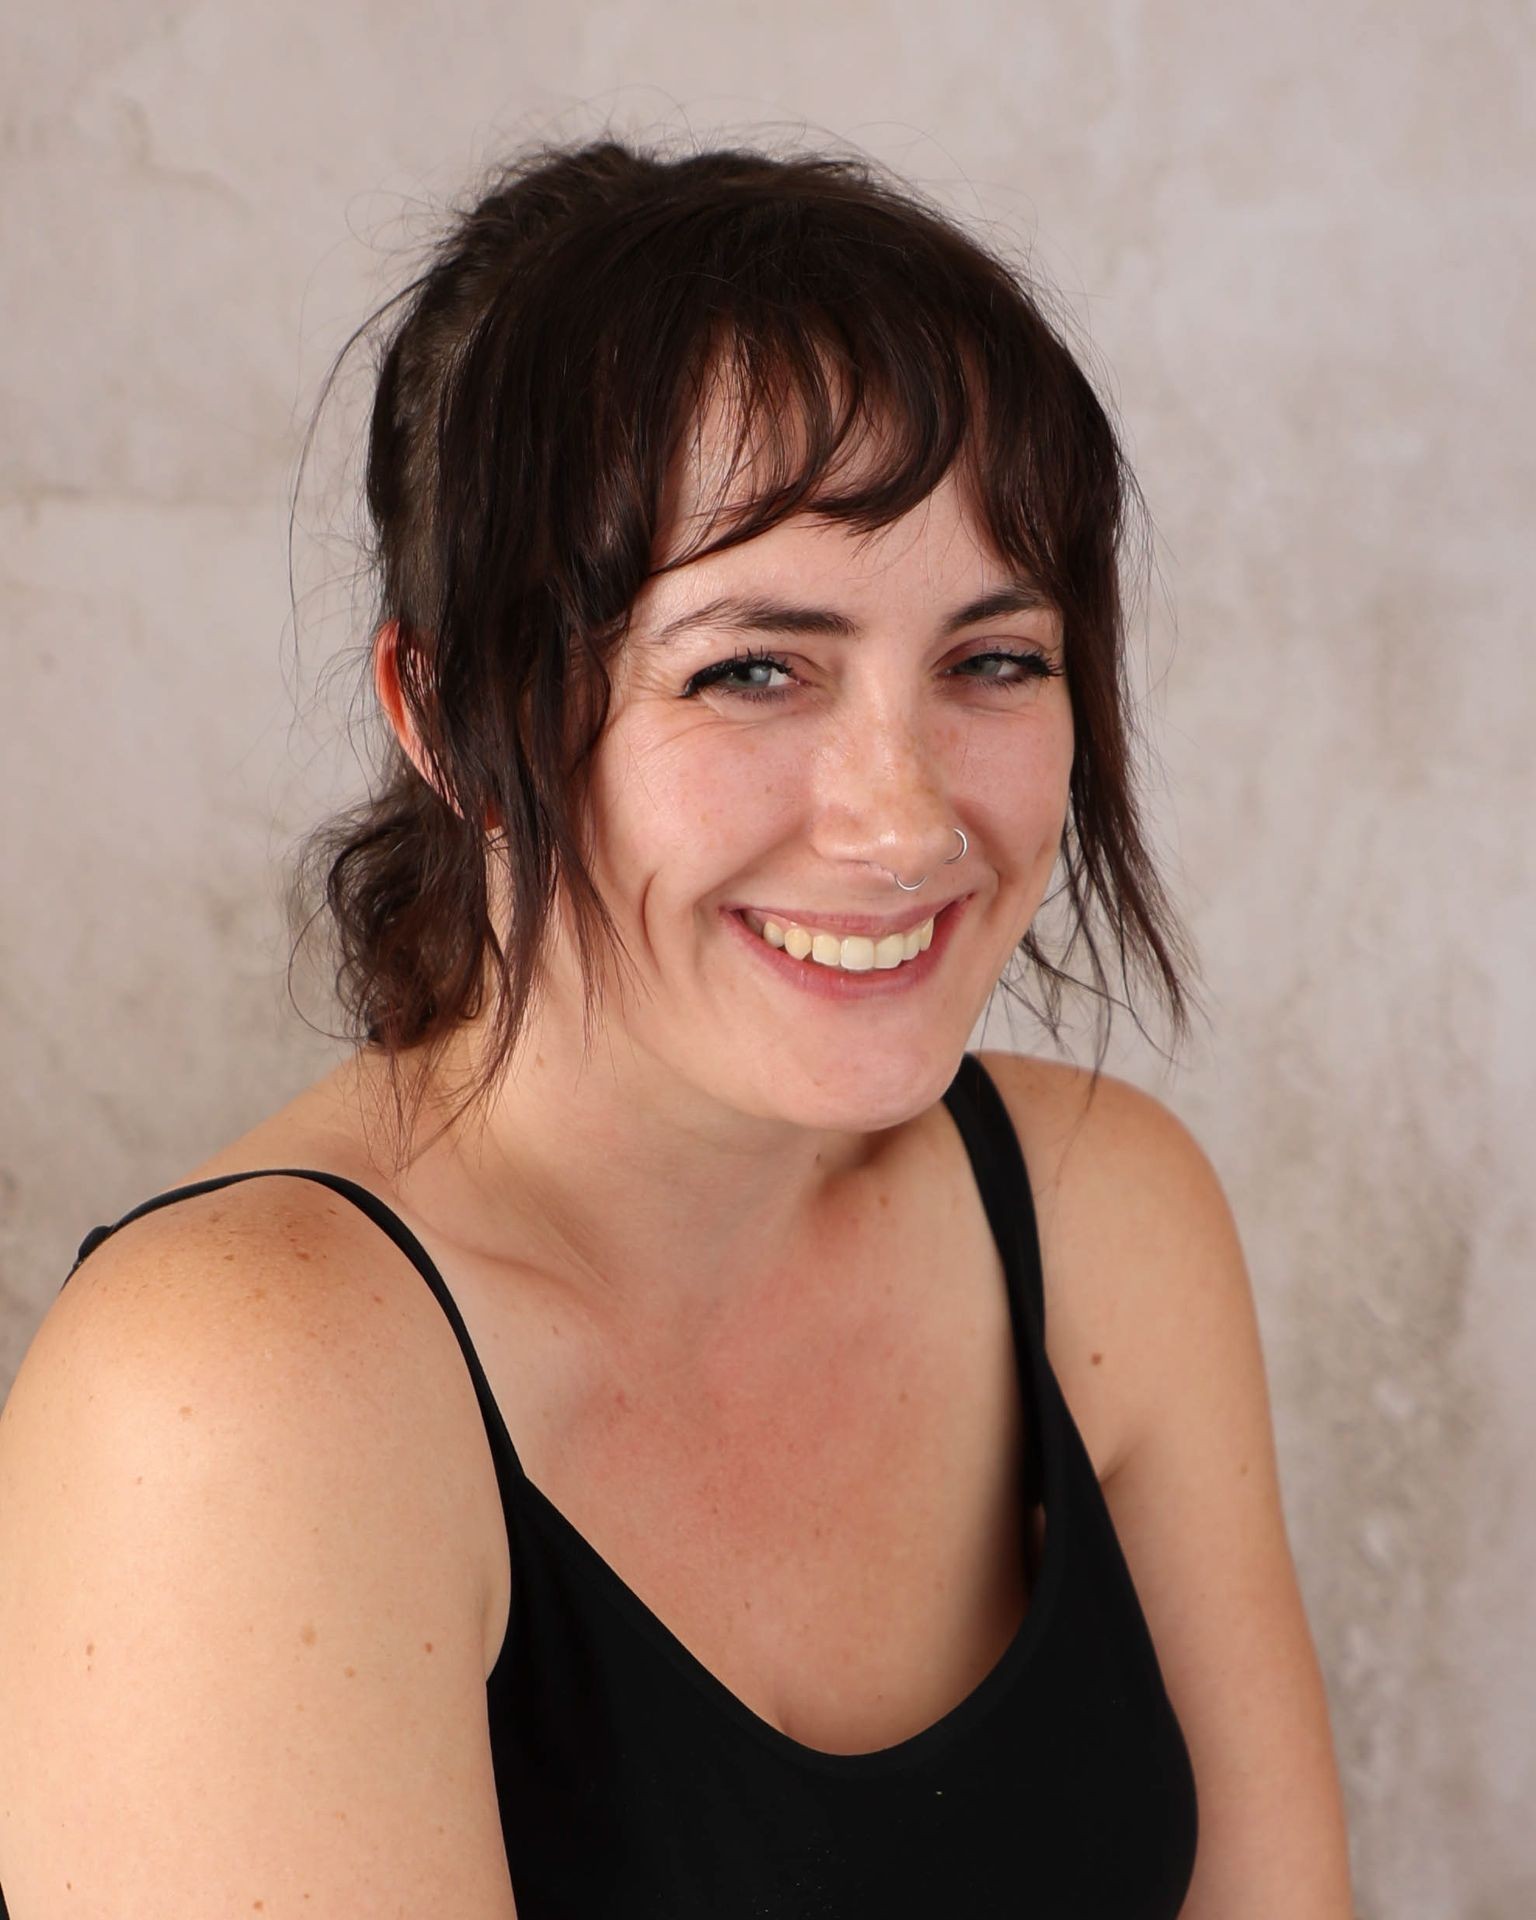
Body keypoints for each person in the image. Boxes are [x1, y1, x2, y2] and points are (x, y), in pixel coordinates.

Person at [0, 138, 1354, 1917]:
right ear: (450, 712)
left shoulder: (1109, 1214)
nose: (906, 819)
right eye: (751, 668)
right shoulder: (236, 1393)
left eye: (994, 659)